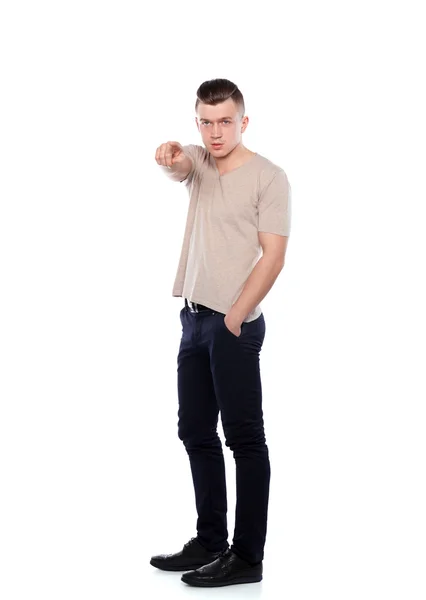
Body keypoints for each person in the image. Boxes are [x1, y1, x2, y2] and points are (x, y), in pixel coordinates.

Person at [150, 78, 292, 588]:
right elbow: (178, 163)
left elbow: (273, 257)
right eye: (206, 122)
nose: (215, 132)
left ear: (243, 122)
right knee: (194, 432)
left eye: (225, 121)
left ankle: (246, 557)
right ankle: (210, 539)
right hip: (193, 319)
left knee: (245, 439)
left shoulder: (269, 178)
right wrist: (169, 155)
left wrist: (235, 316)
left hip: (234, 324)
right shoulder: (201, 162)